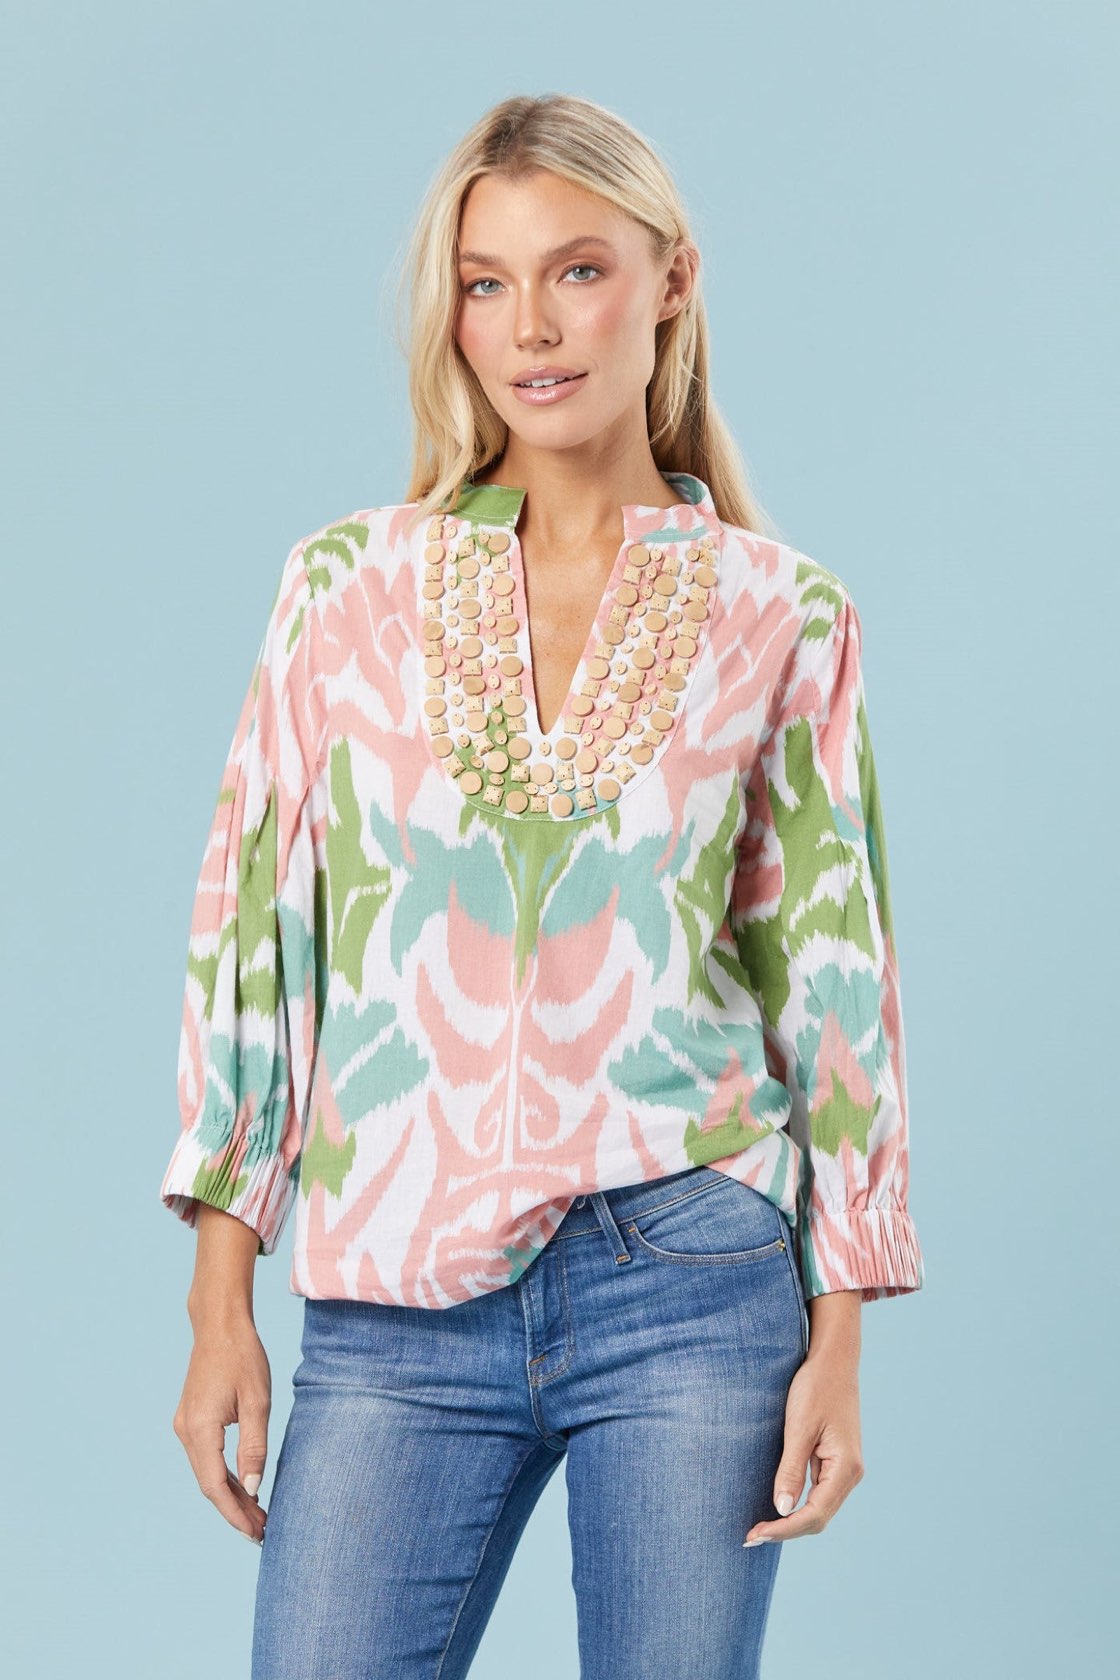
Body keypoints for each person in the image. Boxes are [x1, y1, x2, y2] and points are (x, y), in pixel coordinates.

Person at [160, 91, 925, 1680]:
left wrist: (841, 1331)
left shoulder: (784, 615)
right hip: (394, 1288)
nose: (531, 326)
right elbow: (257, 941)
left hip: (691, 1274)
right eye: (486, 283)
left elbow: (832, 979)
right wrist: (219, 1299)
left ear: (671, 281)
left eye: (578, 271)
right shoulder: (345, 590)